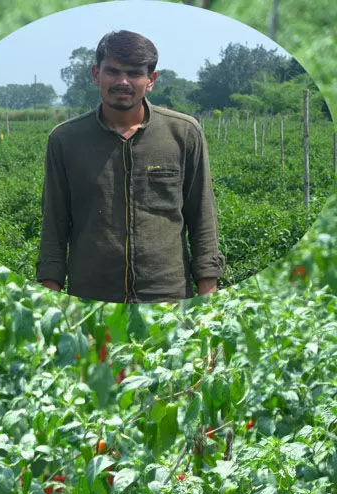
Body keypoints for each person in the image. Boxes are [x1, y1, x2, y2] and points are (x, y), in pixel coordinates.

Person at [36, 30, 226, 303]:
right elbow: (54, 226)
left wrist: (209, 296)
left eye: (135, 73)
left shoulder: (183, 133)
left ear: (151, 80)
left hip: (167, 297)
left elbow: (202, 217)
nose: (123, 82)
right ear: (95, 74)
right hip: (92, 298)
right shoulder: (65, 140)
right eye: (112, 71)